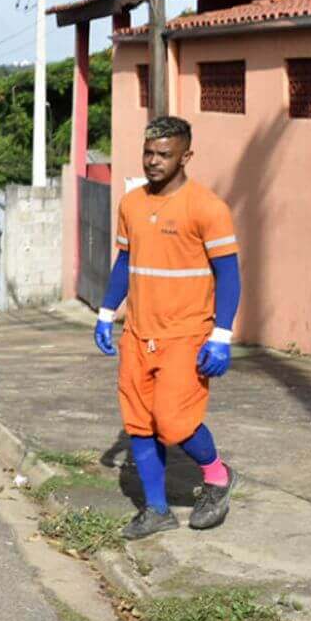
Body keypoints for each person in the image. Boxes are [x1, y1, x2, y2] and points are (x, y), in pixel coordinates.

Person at [93, 116, 240, 540]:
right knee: (139, 423)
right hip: (138, 333)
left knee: (174, 423)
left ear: (185, 156)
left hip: (187, 333)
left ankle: (217, 476)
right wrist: (106, 312)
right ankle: (157, 510)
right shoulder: (132, 204)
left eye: (164, 154)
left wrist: (221, 337)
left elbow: (229, 275)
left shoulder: (206, 207)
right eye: (148, 153)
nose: (154, 161)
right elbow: (125, 262)